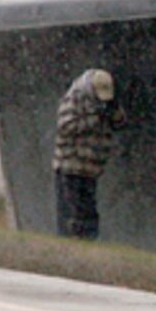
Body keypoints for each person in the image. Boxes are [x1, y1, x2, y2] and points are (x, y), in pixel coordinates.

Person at [52, 69, 126, 240]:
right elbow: (66, 127)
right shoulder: (74, 97)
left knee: (89, 212)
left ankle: (89, 241)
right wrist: (95, 118)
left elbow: (120, 124)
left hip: (91, 169)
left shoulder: (106, 100)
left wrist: (114, 113)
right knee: (72, 213)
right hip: (71, 167)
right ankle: (71, 242)